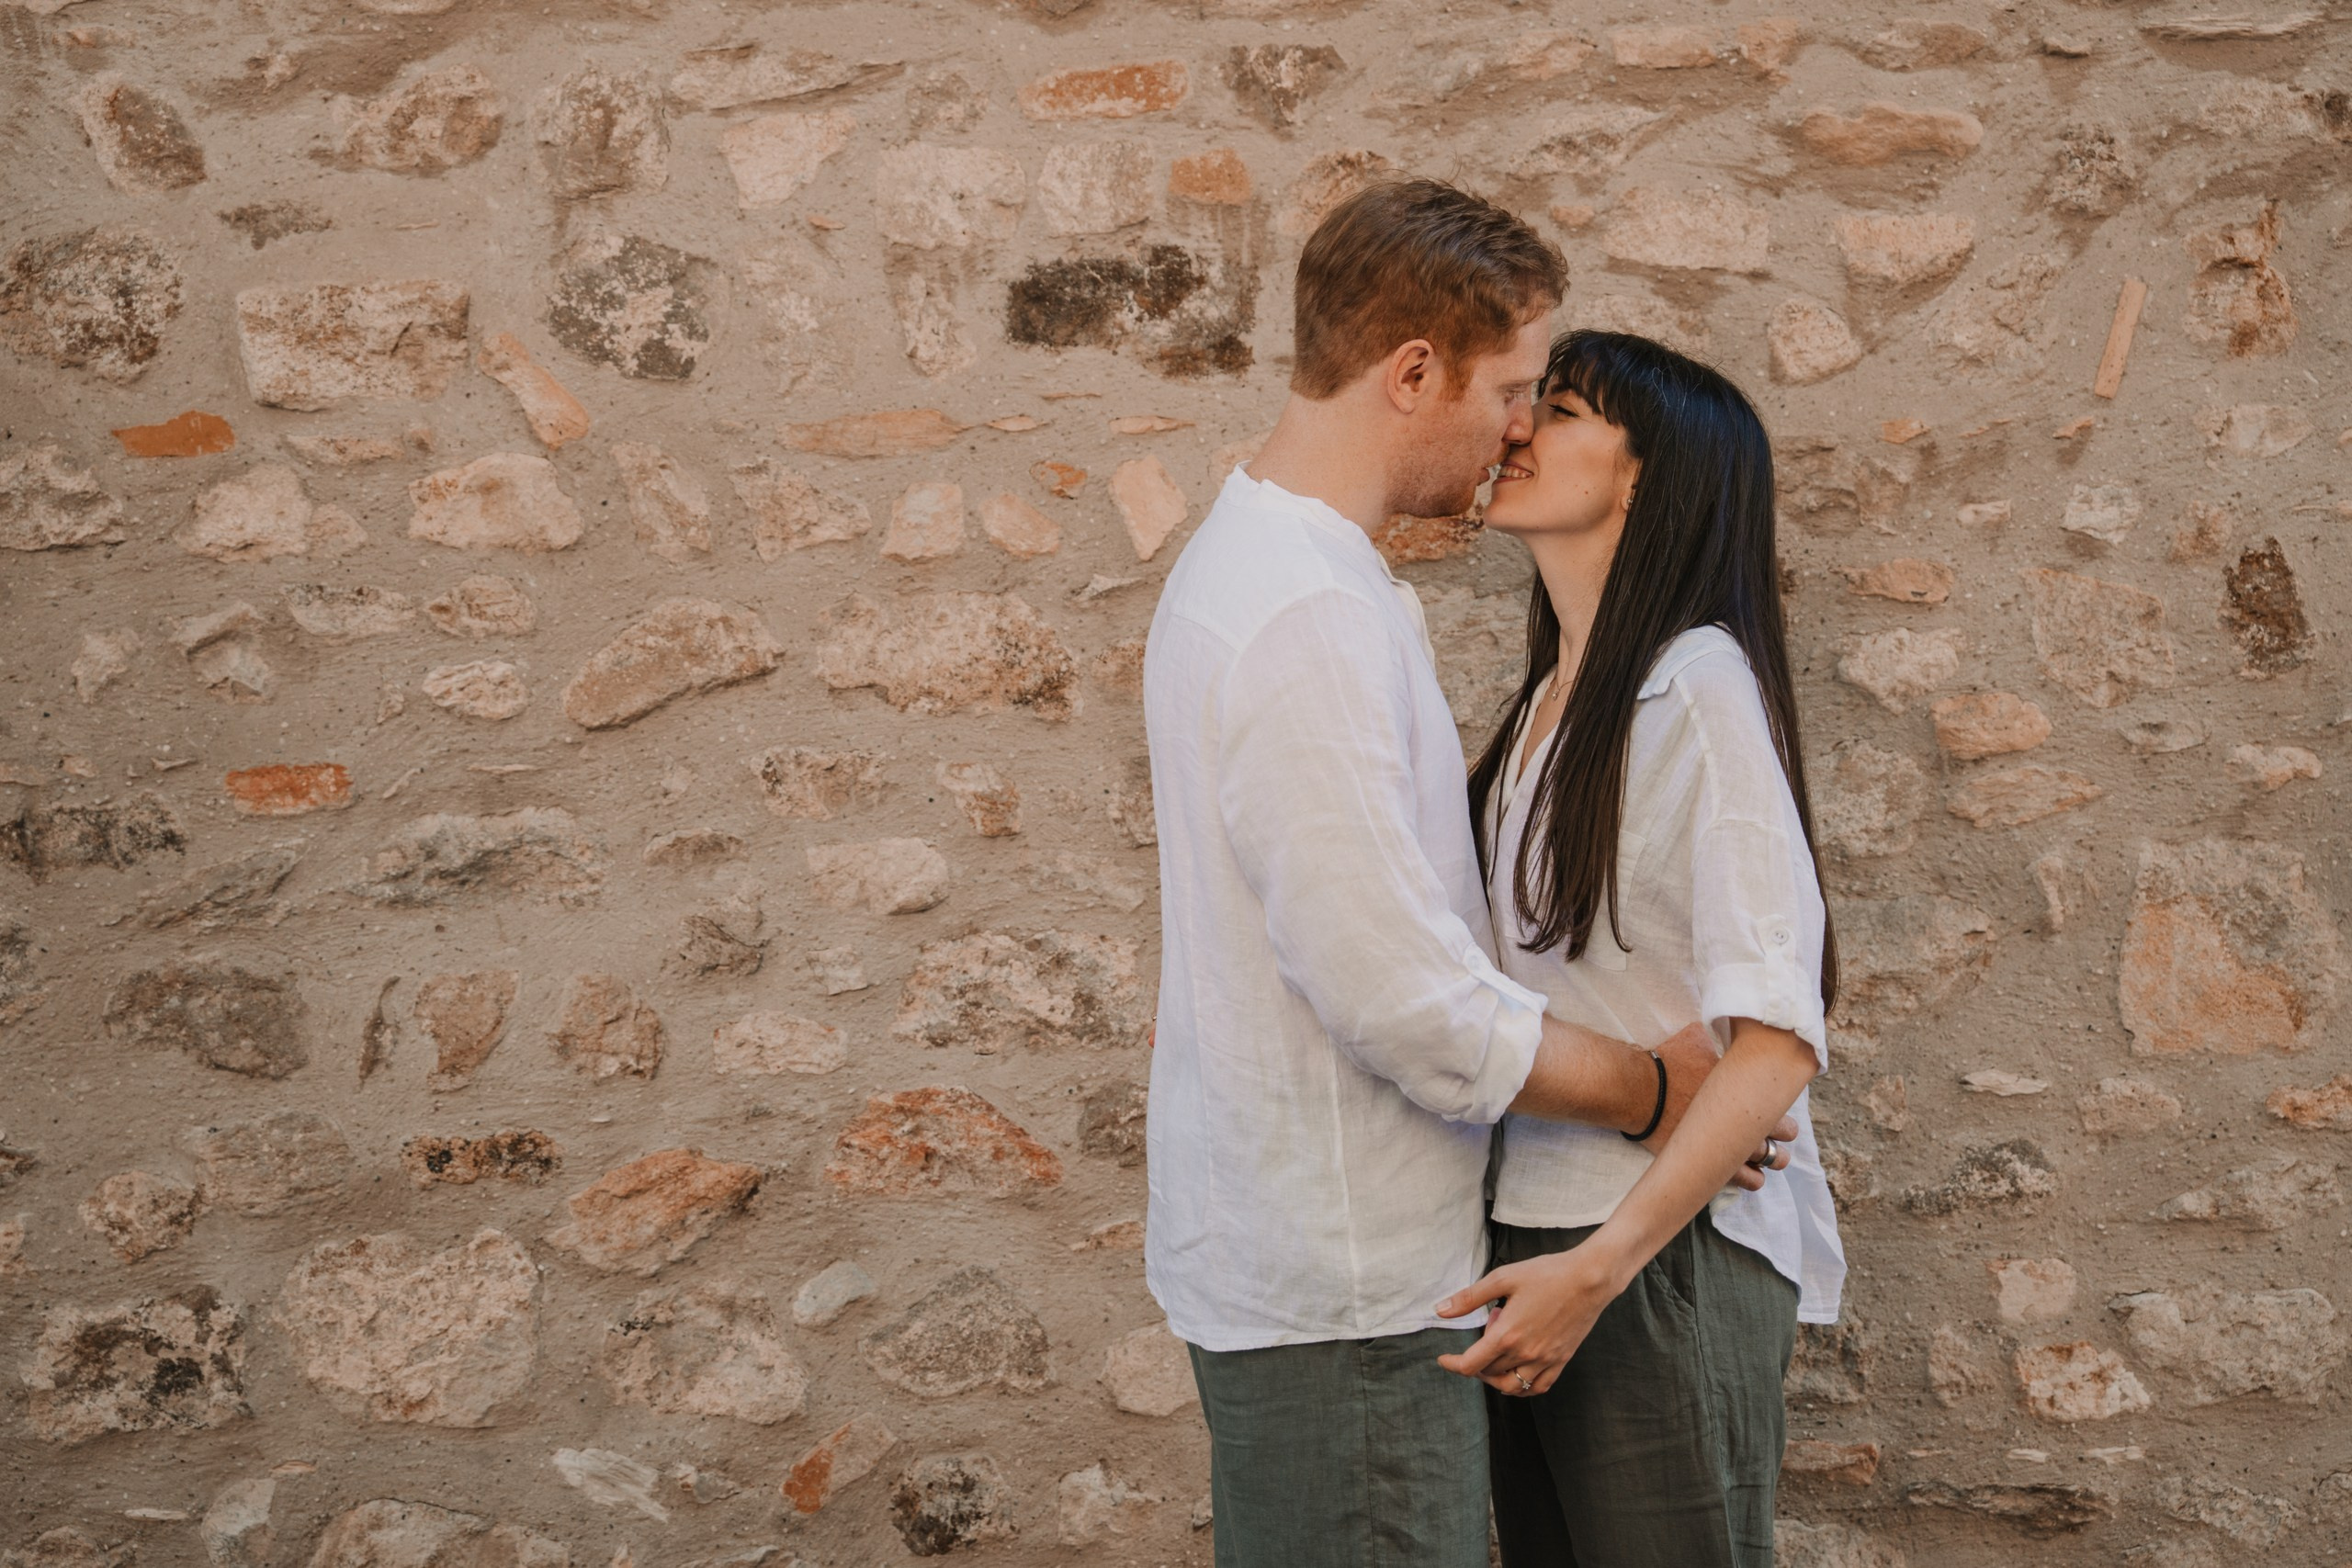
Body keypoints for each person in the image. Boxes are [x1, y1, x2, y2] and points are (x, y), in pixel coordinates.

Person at [1141, 182, 1793, 1568]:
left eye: (1554, 406)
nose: (1516, 422)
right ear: (1413, 372)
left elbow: (1777, 1015)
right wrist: (1658, 1085)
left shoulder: (1315, 587)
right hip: (1358, 1282)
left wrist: (1695, 1117)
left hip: (1482, 1266)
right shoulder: (1307, 612)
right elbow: (1407, 998)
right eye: (1515, 390)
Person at [1433, 330, 1846, 1567]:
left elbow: (1776, 1045)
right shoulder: (1546, 707)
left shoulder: (1697, 690)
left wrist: (1601, 1269)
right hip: (1531, 1238)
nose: (1516, 430)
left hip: (1657, 1253)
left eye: (1556, 410)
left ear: (1642, 479)